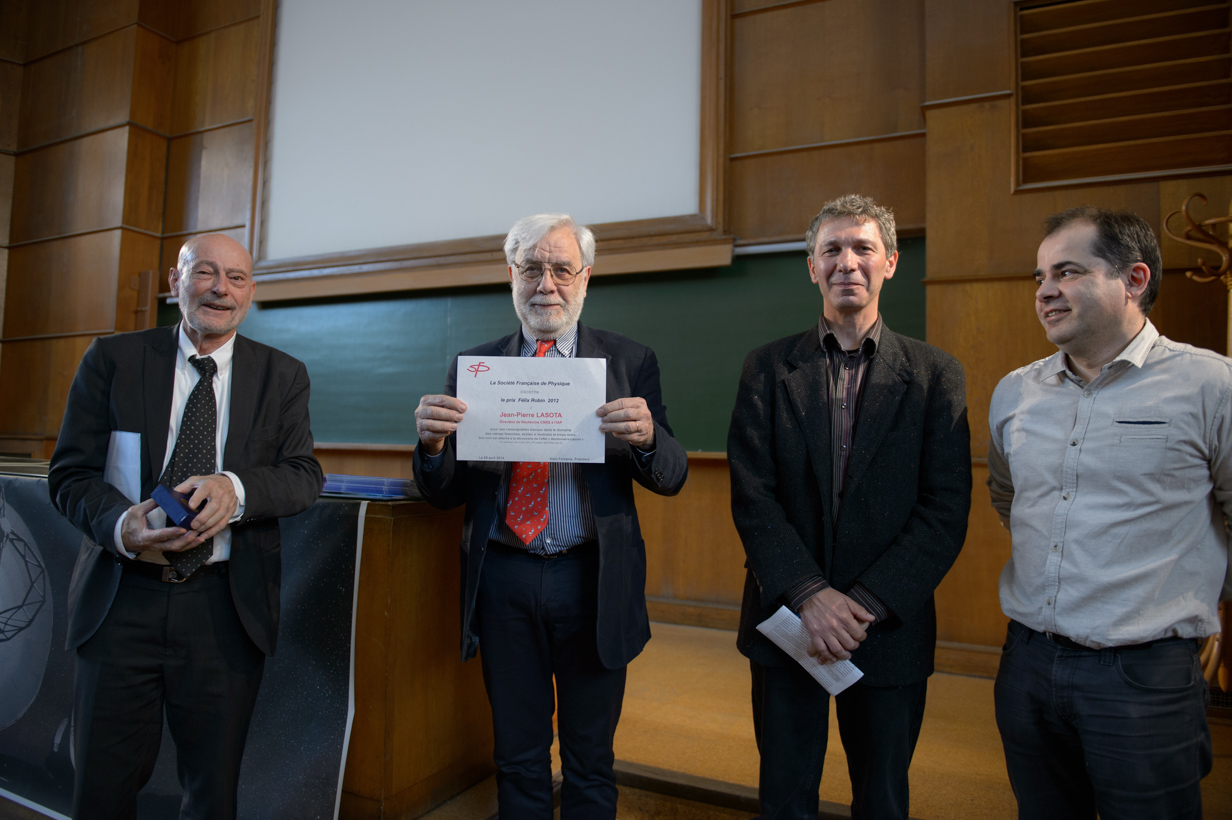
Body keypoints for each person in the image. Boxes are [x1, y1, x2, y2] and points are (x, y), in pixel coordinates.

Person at [412, 213, 688, 819]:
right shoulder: (473, 368)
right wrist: (432, 449)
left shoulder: (629, 361)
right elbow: (445, 493)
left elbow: (671, 474)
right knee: (517, 754)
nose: (547, 284)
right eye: (532, 268)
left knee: (590, 760)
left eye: (562, 268)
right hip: (504, 580)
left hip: (592, 578)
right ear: (510, 276)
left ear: (586, 278)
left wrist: (647, 439)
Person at [47, 234, 322, 820]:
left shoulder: (283, 376)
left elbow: (302, 476)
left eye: (237, 278)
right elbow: (70, 474)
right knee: (100, 788)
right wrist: (120, 524)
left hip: (223, 611)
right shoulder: (112, 360)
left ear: (250, 294)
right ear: (176, 282)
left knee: (212, 793)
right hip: (121, 602)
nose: (221, 288)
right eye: (205, 273)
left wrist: (237, 488)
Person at [728, 194, 971, 820]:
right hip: (788, 624)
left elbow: (945, 510)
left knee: (883, 798)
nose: (847, 262)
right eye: (831, 249)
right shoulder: (766, 368)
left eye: (863, 248)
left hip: (886, 627)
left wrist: (859, 606)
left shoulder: (936, 375)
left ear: (889, 261)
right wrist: (811, 595)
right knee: (785, 797)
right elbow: (753, 498)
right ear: (812, 267)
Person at [988, 206, 1228, 819]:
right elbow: (1009, 498)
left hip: (1143, 677)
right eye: (1039, 277)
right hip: (1028, 667)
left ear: (1135, 279)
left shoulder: (1210, 386)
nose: (1046, 291)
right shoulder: (1016, 392)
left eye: (1067, 272)